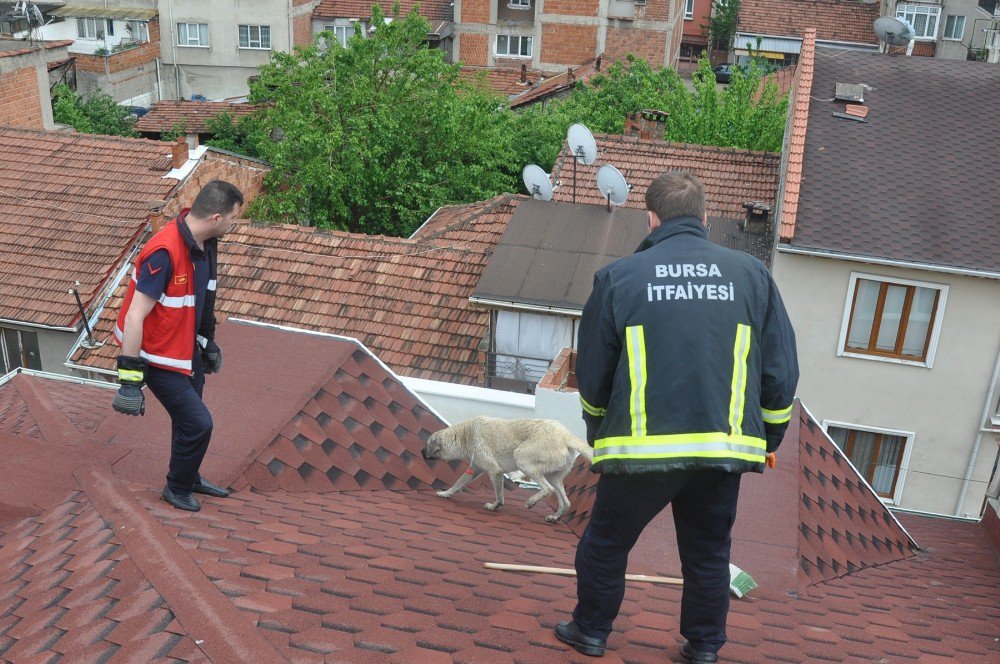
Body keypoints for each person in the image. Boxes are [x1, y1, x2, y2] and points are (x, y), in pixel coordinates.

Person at [554, 172, 798, 663]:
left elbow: (594, 372)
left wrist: (599, 433)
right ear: (706, 218)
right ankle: (704, 649)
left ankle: (591, 633)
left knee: (605, 543)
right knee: (708, 554)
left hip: (642, 452)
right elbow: (780, 371)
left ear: (651, 218)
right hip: (720, 451)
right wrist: (768, 439)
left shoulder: (619, 278)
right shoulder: (753, 277)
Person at [112, 180, 244, 513]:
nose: (235, 224)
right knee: (199, 423)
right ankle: (177, 488)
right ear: (215, 217)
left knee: (188, 422)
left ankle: (190, 475)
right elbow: (133, 318)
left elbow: (204, 298)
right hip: (155, 356)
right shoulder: (164, 251)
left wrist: (207, 342)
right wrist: (129, 380)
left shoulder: (207, 242)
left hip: (186, 350)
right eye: (233, 218)